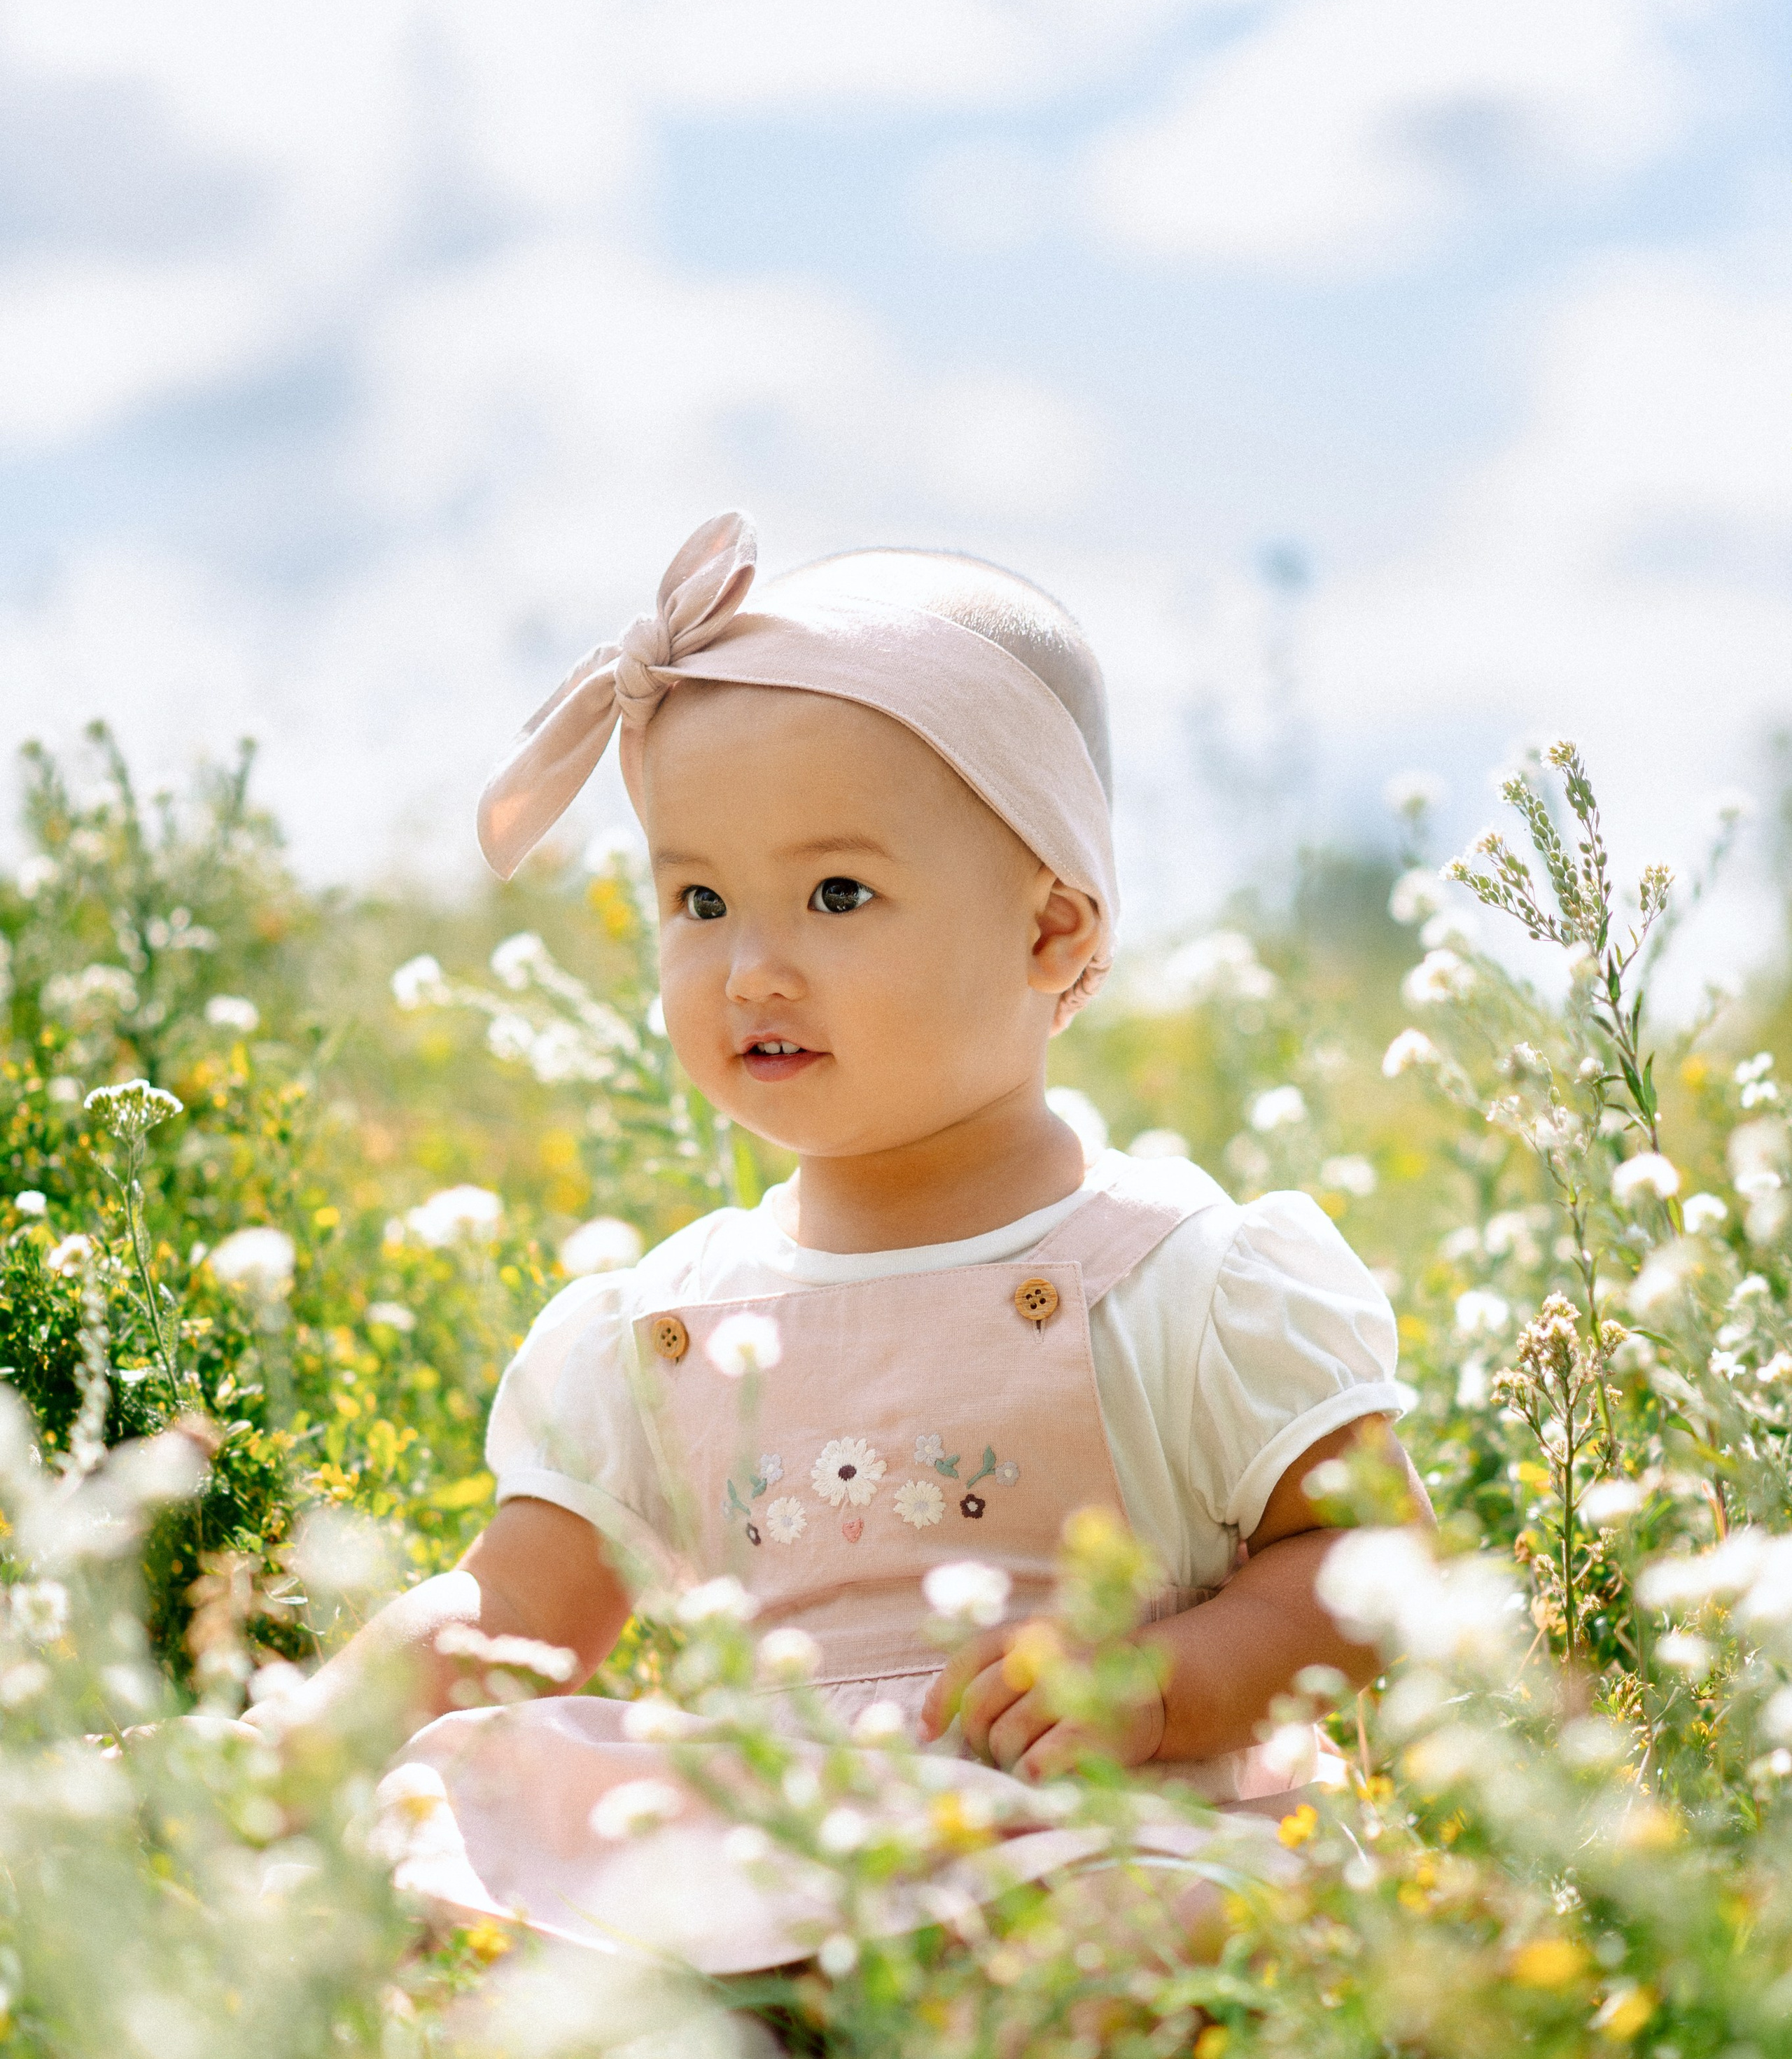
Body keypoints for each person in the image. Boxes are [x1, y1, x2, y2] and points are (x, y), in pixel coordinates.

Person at [270, 512, 1428, 1971]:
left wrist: (1163, 1685)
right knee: (430, 1818)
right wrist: (334, 1720)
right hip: (770, 1837)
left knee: (1153, 1934)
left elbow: (1364, 1567)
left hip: (1072, 1831)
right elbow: (513, 1610)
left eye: (835, 894)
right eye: (697, 898)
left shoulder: (1176, 1277)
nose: (750, 964)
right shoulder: (662, 1322)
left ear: (1052, 934)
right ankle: (671, 2052)